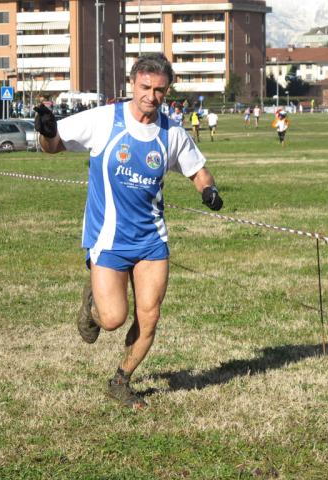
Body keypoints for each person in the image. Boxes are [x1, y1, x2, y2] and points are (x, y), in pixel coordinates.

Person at [34, 53, 223, 409]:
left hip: (152, 241)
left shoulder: (172, 133)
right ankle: (91, 304)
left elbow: (198, 171)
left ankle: (121, 380)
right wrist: (46, 131)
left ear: (168, 92)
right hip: (108, 239)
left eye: (160, 90)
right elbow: (54, 146)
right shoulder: (104, 120)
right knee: (113, 319)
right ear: (131, 84)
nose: (151, 96)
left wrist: (208, 191)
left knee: (149, 318)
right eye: (145, 87)